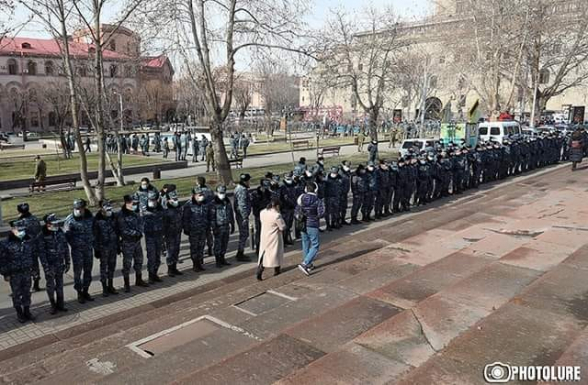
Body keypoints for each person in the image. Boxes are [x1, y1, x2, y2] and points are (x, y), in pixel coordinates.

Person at [1, 220, 35, 323]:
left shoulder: (28, 240)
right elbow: (2, 260)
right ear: (13, 230)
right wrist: (5, 274)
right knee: (16, 294)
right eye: (19, 230)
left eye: (23, 230)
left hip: (26, 272)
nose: (21, 232)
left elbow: (33, 256)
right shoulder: (5, 243)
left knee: (27, 293)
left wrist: (34, 270)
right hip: (14, 274)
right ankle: (19, 313)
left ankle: (27, 311)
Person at [64, 199, 95, 304]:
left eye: (81, 208)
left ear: (84, 208)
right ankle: (79, 293)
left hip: (88, 249)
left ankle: (86, 291)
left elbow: (94, 230)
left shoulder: (90, 217)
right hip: (77, 250)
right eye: (77, 208)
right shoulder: (70, 219)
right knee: (77, 273)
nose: (79, 210)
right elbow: (67, 236)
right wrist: (75, 243)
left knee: (88, 271)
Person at [116, 194, 147, 292]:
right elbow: (123, 229)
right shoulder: (121, 215)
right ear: (127, 203)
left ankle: (139, 279)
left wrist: (139, 232)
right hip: (127, 243)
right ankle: (126, 284)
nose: (135, 205)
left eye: (136, 203)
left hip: (137, 242)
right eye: (133, 203)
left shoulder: (135, 213)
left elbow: (141, 223)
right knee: (127, 264)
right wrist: (136, 233)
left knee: (139, 261)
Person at [40, 214, 70, 314]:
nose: (56, 225)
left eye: (57, 223)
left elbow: (65, 247)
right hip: (50, 265)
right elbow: (42, 253)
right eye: (54, 223)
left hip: (60, 263)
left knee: (60, 285)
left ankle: (60, 304)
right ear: (48, 224)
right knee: (51, 286)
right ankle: (53, 305)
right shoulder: (42, 235)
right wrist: (46, 267)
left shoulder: (60, 232)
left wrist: (68, 261)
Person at [296, 182, 325, 276]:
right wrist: (315, 217)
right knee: (315, 245)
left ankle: (308, 264)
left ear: (305, 189)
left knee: (305, 243)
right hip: (312, 224)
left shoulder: (301, 198)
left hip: (302, 224)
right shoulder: (318, 200)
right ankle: (305, 263)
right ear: (316, 190)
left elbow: (296, 210)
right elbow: (321, 212)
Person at [182, 187, 213, 271]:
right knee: (194, 247)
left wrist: (209, 226)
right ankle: (195, 264)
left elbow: (209, 216)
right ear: (194, 195)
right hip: (193, 230)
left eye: (202, 195)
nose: (201, 196)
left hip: (203, 229)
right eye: (199, 195)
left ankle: (199, 263)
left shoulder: (205, 204)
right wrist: (186, 228)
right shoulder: (188, 205)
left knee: (201, 246)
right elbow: (185, 218)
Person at [93, 200, 119, 297]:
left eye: (110, 209)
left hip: (113, 246)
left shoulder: (113, 217)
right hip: (103, 248)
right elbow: (95, 236)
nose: (109, 211)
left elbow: (117, 231)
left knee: (112, 266)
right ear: (101, 209)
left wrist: (118, 246)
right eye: (107, 209)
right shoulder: (97, 220)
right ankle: (104, 288)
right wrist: (96, 249)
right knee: (104, 268)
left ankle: (111, 286)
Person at [256, 197, 286, 281]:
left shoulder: (262, 212)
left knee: (264, 253)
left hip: (264, 235)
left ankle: (260, 269)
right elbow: (282, 227)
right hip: (274, 237)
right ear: (277, 206)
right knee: (276, 254)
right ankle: (277, 269)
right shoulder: (277, 215)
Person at [16, 203, 42, 292]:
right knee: (35, 265)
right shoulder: (35, 219)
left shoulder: (20, 222)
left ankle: (26, 286)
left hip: (25, 248)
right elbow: (39, 231)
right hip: (35, 246)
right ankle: (36, 283)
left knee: (25, 267)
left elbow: (19, 236)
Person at [143, 191, 165, 284]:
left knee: (157, 257)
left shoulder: (160, 209)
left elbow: (164, 220)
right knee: (151, 257)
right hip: (150, 237)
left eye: (154, 200)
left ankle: (155, 273)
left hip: (159, 236)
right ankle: (151, 276)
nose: (153, 201)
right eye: (151, 200)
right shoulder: (144, 211)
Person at [162, 185, 184, 277]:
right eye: (173, 199)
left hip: (177, 231)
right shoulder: (165, 209)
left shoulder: (178, 206)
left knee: (176, 249)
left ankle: (174, 267)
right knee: (170, 250)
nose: (175, 200)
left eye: (176, 198)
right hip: (169, 232)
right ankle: (170, 269)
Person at [211, 185, 234, 268]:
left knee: (225, 242)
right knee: (218, 244)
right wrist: (214, 228)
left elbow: (231, 213)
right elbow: (212, 217)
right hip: (218, 226)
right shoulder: (214, 203)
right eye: (220, 193)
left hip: (226, 225)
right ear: (217, 193)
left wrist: (232, 223)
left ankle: (223, 258)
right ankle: (217, 260)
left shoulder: (227, 201)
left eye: (223, 192)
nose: (222, 194)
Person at [234, 173, 252, 262]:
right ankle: (240, 253)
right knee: (244, 234)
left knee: (244, 234)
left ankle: (240, 252)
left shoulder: (239, 188)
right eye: (249, 181)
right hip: (242, 216)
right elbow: (242, 205)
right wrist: (245, 216)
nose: (250, 182)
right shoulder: (242, 190)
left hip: (240, 215)